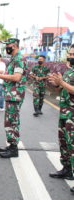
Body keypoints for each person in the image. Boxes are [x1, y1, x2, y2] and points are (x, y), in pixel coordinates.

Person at [0, 38, 27, 158]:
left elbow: (16, 78)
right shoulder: (14, 59)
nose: (6, 47)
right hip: (11, 94)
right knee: (9, 121)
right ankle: (11, 145)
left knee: (12, 121)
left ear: (14, 46)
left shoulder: (19, 59)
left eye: (7, 45)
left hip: (15, 95)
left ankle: (13, 149)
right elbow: (11, 75)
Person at [48, 44, 74, 194]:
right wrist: (56, 84)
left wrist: (62, 83)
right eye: (70, 53)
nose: (70, 56)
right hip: (65, 112)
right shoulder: (70, 70)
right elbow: (64, 87)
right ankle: (67, 169)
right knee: (64, 143)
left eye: (73, 54)